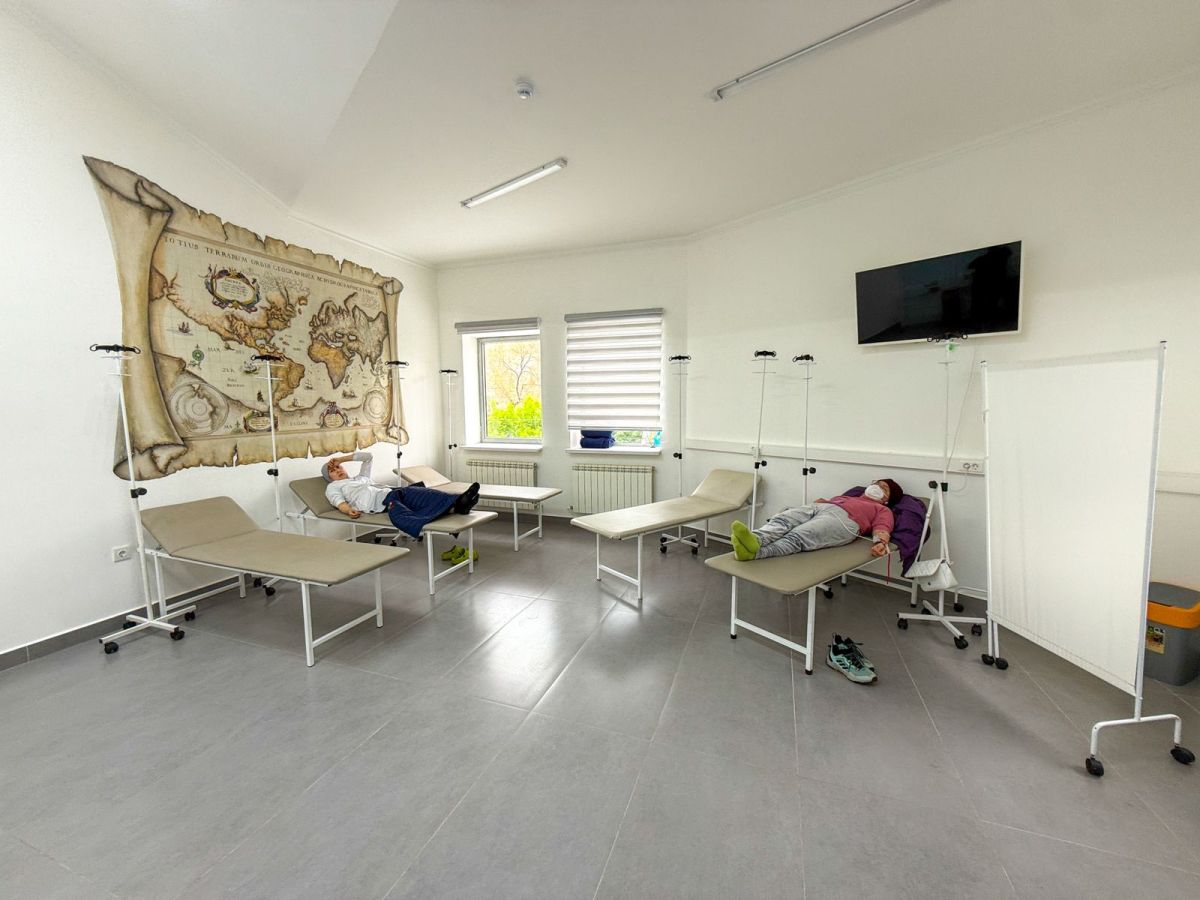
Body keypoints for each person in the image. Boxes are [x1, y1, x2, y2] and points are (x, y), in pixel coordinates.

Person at [730, 478, 903, 562]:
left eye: (884, 488)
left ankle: (754, 554)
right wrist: (823, 501)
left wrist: (880, 542)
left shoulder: (883, 509)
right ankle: (757, 538)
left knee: (799, 535)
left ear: (888, 499)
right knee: (784, 519)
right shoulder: (850, 496)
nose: (877, 487)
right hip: (821, 507)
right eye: (877, 483)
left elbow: (882, 526)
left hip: (845, 521)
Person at [322, 452, 480, 539]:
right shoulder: (333, 487)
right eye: (333, 471)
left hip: (393, 492)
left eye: (339, 467)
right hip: (383, 502)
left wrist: (341, 459)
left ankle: (458, 503)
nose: (338, 470)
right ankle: (458, 503)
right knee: (413, 504)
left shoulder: (360, 477)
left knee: (423, 494)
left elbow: (368, 456)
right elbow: (338, 502)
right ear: (329, 478)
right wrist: (347, 510)